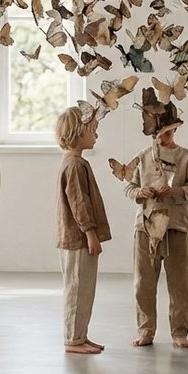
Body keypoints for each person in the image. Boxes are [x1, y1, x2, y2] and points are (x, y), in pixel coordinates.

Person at [124, 92, 188, 348]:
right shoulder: (143, 156)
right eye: (158, 135)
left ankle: (179, 332)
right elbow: (129, 187)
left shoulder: (186, 157)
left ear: (174, 131)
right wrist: (139, 192)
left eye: (167, 134)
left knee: (179, 283)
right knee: (143, 282)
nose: (162, 139)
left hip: (177, 227)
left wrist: (176, 192)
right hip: (145, 228)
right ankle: (146, 330)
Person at [55, 105, 111, 355]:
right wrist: (91, 234)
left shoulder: (76, 162)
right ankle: (73, 340)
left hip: (78, 238)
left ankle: (80, 336)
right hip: (78, 239)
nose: (96, 133)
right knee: (77, 289)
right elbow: (79, 204)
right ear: (79, 132)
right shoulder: (75, 165)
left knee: (84, 289)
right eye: (92, 129)